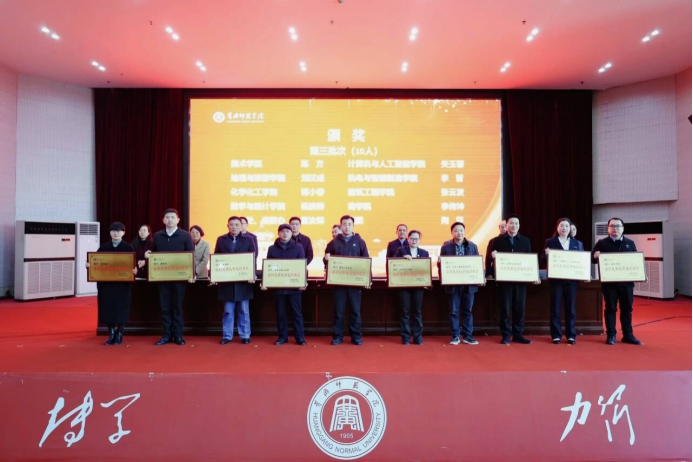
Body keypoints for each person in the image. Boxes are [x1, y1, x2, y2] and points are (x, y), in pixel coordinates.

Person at [146, 208, 194, 346]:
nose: (170, 220)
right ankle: (166, 335)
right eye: (167, 217)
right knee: (165, 308)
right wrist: (148, 255)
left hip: (179, 279)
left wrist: (191, 274)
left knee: (177, 308)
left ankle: (178, 335)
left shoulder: (185, 235)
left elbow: (190, 255)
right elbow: (154, 254)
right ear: (163, 220)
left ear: (178, 220)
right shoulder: (158, 235)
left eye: (173, 217)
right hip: (162, 279)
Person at [592, 217, 642, 346]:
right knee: (610, 309)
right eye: (612, 226)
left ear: (623, 228)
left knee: (627, 309)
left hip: (627, 284)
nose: (615, 228)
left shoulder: (630, 243)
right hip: (610, 284)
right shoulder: (601, 243)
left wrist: (642, 274)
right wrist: (595, 256)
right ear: (608, 228)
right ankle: (611, 335)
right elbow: (592, 259)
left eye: (618, 226)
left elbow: (636, 261)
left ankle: (628, 335)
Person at [486, 215, 534, 345]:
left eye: (516, 223)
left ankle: (518, 334)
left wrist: (533, 276)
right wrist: (489, 273)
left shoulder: (525, 241)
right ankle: (506, 334)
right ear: (506, 225)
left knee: (519, 308)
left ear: (519, 225)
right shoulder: (497, 241)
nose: (514, 226)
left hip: (520, 281)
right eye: (511, 223)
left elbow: (529, 260)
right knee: (505, 308)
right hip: (504, 281)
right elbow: (489, 260)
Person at [89, 222, 137, 346]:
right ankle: (111, 334)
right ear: (110, 233)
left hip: (122, 285)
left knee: (121, 308)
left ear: (123, 233)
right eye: (113, 231)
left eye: (119, 231)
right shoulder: (103, 247)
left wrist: (134, 270)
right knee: (107, 308)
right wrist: (89, 265)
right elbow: (96, 262)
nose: (116, 233)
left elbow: (133, 264)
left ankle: (119, 333)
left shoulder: (128, 247)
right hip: (106, 285)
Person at [324, 215, 369, 346]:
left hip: (355, 283)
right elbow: (326, 260)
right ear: (341, 226)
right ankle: (337, 336)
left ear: (353, 226)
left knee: (355, 310)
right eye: (344, 224)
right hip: (339, 283)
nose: (347, 227)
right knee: (339, 311)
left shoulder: (360, 242)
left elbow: (366, 261)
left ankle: (356, 336)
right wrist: (326, 259)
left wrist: (367, 279)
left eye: (349, 224)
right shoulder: (333, 243)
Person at [214, 216, 256, 345]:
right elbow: (217, 258)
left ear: (241, 226)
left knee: (244, 310)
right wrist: (216, 275)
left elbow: (252, 258)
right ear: (228, 226)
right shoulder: (221, 239)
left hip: (243, 281)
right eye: (231, 225)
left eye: (237, 225)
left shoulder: (249, 239)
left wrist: (251, 274)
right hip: (227, 281)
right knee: (228, 310)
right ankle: (227, 335)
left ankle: (245, 335)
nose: (234, 227)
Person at [543, 218, 584, 345]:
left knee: (570, 309)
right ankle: (556, 335)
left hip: (571, 281)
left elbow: (582, 261)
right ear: (557, 228)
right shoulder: (550, 242)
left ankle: (571, 335)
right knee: (555, 308)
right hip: (556, 281)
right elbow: (542, 259)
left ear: (570, 228)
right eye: (562, 226)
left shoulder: (577, 243)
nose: (564, 228)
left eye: (567, 226)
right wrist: (546, 254)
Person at [439, 222, 481, 345]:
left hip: (469, 286)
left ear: (464, 231)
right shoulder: (446, 247)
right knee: (454, 311)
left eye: (461, 230)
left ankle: (468, 336)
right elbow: (441, 266)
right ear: (452, 232)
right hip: (453, 285)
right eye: (456, 231)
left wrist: (479, 278)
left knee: (468, 311)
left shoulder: (472, 246)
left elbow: (477, 264)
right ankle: (455, 336)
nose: (459, 233)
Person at [266, 224, 307, 346]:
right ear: (278, 233)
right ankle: (282, 337)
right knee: (280, 314)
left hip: (294, 287)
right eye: (282, 231)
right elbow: (269, 267)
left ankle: (299, 337)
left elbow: (302, 266)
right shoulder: (272, 249)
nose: (285, 234)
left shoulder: (298, 247)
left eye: (287, 231)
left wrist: (303, 281)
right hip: (278, 287)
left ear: (291, 233)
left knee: (297, 313)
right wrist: (266, 282)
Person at [394, 230, 429, 345]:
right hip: (404, 286)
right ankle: (405, 337)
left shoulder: (424, 253)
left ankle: (418, 337)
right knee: (405, 312)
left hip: (418, 287)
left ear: (419, 240)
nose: (414, 241)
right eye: (412, 238)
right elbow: (393, 264)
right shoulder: (401, 251)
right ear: (408, 239)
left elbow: (426, 269)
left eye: (416, 239)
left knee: (417, 312)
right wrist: (402, 259)